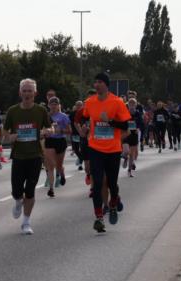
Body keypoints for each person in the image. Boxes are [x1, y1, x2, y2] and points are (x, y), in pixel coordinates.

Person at [79, 72, 131, 233]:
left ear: (106, 85)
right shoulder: (90, 102)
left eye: (100, 82)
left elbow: (125, 126)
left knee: (112, 184)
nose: (97, 85)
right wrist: (84, 127)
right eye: (95, 82)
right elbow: (82, 117)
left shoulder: (117, 102)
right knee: (98, 183)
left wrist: (110, 121)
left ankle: (114, 203)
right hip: (95, 147)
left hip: (113, 149)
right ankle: (99, 217)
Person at [3, 80, 53, 233]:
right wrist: (9, 137)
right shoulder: (12, 111)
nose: (27, 94)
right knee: (17, 191)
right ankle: (18, 201)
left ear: (35, 94)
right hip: (18, 156)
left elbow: (50, 126)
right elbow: (5, 132)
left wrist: (48, 131)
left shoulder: (41, 111)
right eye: (24, 91)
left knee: (30, 190)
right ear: (20, 93)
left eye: (29, 91)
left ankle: (26, 223)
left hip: (35, 155)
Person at [43, 96, 70, 198]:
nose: (53, 106)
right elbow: (41, 128)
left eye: (55, 104)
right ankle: (51, 189)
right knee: (51, 165)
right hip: (49, 141)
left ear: (59, 105)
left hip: (60, 141)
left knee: (58, 166)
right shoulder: (45, 116)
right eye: (51, 104)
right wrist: (44, 132)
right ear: (49, 105)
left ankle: (61, 173)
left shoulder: (63, 116)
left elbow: (70, 131)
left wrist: (61, 130)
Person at [124, 98, 140, 177]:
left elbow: (141, 123)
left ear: (136, 105)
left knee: (132, 154)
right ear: (128, 105)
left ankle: (129, 170)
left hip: (134, 134)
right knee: (127, 151)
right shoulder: (124, 112)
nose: (132, 106)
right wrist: (125, 128)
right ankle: (125, 157)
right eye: (130, 104)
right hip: (126, 134)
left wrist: (138, 128)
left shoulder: (137, 113)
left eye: (133, 104)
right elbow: (121, 122)